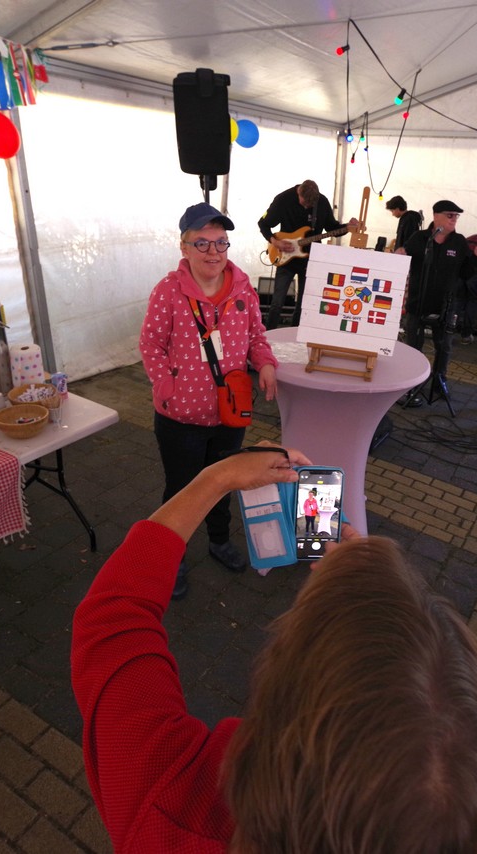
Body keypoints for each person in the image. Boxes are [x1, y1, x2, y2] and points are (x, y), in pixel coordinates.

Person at [70, 444, 477, 853]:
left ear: (281, 690)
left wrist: (217, 478)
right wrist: (359, 595)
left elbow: (115, 616)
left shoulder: (171, 804)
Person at [140, 203, 278, 600]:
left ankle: (219, 540)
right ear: (184, 247)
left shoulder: (243, 288)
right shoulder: (168, 291)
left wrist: (265, 363)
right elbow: (150, 344)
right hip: (179, 417)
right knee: (180, 491)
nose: (213, 251)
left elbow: (256, 335)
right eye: (202, 243)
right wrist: (166, 385)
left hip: (229, 412)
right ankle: (173, 557)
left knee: (223, 482)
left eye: (220, 242)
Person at [395, 199, 477, 406]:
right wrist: (400, 254)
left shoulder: (459, 242)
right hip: (418, 302)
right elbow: (403, 261)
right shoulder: (420, 238)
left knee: (444, 346)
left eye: (456, 216)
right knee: (414, 345)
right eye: (450, 215)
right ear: (436, 216)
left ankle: (440, 380)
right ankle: (411, 384)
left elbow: (466, 273)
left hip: (446, 305)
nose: (454, 219)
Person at [257, 180, 358, 329]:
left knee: (304, 304)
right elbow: (263, 223)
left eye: (310, 206)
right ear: (299, 192)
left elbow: (332, 227)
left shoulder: (322, 202)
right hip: (286, 259)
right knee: (277, 302)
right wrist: (275, 242)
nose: (306, 207)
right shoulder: (283, 199)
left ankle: (295, 334)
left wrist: (347, 227)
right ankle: (268, 335)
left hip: (311, 260)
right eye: (304, 203)